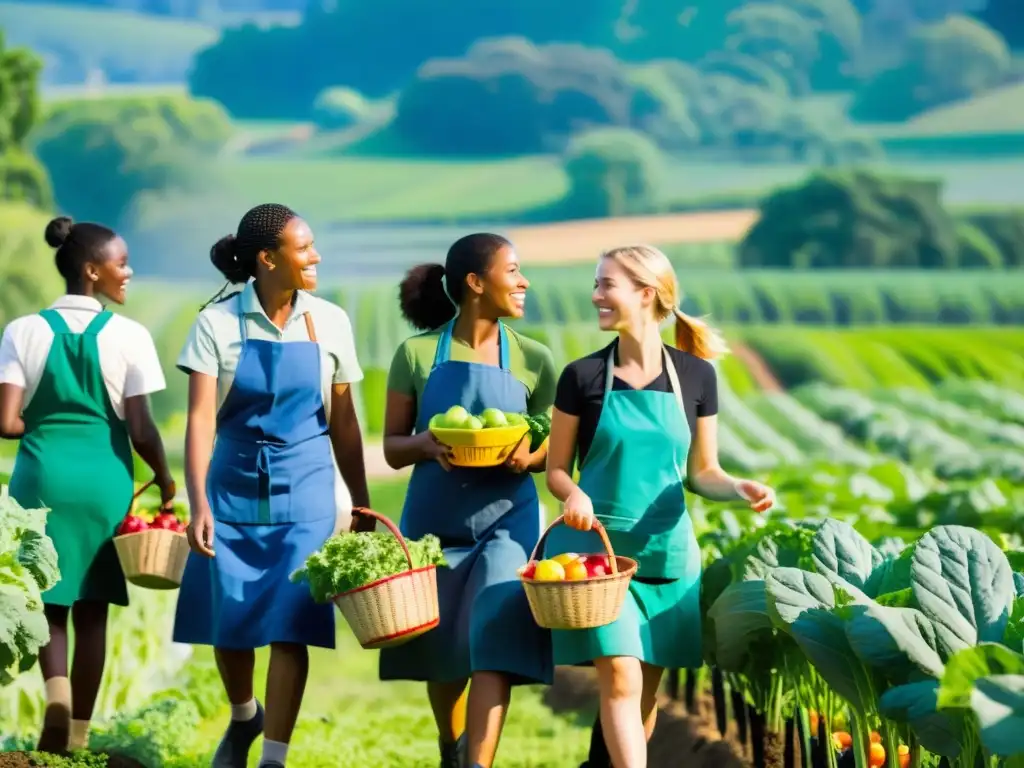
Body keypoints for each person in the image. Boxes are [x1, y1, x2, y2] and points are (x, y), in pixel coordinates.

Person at [544, 245, 776, 768]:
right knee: (622, 679)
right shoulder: (580, 377)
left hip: (669, 559)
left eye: (607, 285)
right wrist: (572, 492)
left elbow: (702, 473)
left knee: (643, 698)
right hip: (600, 562)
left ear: (646, 295)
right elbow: (556, 468)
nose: (596, 295)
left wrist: (737, 487)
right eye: (597, 283)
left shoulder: (697, 377)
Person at [171, 204, 371, 768]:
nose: (316, 257)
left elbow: (345, 421)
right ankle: (244, 717)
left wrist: (359, 501)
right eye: (304, 248)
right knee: (229, 622)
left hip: (306, 486)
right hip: (231, 485)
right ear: (267, 258)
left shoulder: (330, 321)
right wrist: (199, 500)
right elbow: (200, 420)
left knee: (291, 623)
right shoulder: (216, 323)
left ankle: (274, 758)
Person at [379, 233, 557, 768]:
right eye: (513, 271)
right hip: (434, 518)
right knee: (442, 650)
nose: (524, 282)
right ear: (476, 283)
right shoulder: (415, 353)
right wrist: (426, 445)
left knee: (493, 640)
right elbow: (391, 447)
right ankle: (448, 744)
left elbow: (555, 442)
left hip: (509, 519)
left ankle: (476, 763)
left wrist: (530, 457)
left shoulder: (534, 358)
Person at [0, 216, 175, 752]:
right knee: (93, 609)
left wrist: (49, 428)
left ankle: (55, 693)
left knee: (49, 600)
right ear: (92, 270)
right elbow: (142, 428)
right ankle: (77, 734)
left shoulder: (22, 331)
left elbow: (5, 423)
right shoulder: (130, 336)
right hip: (105, 479)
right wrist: (165, 479)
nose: (129, 272)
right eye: (121, 263)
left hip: (40, 479)